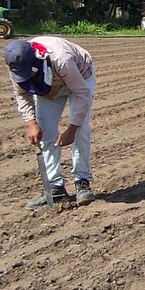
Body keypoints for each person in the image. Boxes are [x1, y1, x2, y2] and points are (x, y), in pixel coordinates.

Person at [5, 37, 97, 209]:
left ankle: (82, 181)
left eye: (29, 72)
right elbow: (22, 94)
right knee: (45, 132)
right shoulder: (16, 66)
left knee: (81, 131)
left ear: (37, 60)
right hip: (47, 86)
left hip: (80, 76)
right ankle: (55, 187)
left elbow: (82, 93)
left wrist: (72, 128)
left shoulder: (61, 59)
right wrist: (30, 123)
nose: (25, 75)